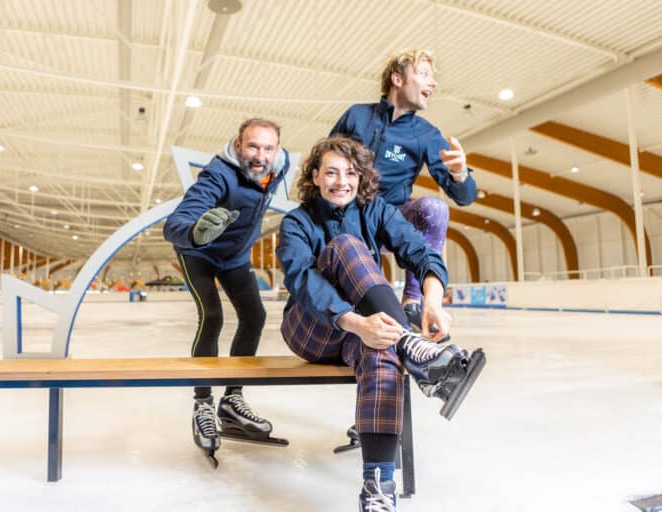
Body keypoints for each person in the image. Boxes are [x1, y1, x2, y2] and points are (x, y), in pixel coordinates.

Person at [276, 136, 484, 511]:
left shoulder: (377, 210)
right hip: (311, 329)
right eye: (332, 172)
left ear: (362, 177)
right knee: (345, 246)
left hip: (366, 329)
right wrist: (356, 322)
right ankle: (413, 347)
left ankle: (378, 487)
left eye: (351, 173)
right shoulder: (297, 222)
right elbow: (302, 283)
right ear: (315, 176)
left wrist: (433, 301)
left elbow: (421, 253)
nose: (342, 181)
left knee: (381, 349)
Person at [163, 118, 290, 467]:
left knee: (255, 316)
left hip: (235, 256)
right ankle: (203, 403)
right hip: (198, 253)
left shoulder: (281, 164)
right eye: (252, 146)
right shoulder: (218, 174)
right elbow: (173, 225)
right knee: (212, 315)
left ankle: (232, 399)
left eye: (267, 148)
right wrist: (195, 233)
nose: (260, 156)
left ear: (277, 151)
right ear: (237, 145)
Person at [330, 49, 477, 327]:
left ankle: (413, 300)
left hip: (391, 221)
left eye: (432, 78)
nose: (432, 83)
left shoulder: (426, 134)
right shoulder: (356, 116)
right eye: (423, 75)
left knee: (434, 208)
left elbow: (464, 197)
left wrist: (459, 174)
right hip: (347, 221)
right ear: (397, 79)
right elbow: (326, 163)